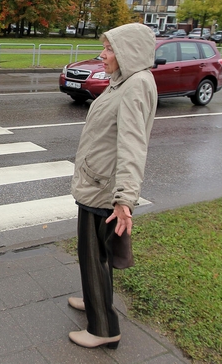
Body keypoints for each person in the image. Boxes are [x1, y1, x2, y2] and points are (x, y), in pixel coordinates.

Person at [68, 23, 158, 349]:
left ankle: (104, 329)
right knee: (94, 255)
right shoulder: (123, 81)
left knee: (93, 257)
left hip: (104, 188)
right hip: (98, 180)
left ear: (127, 52)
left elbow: (133, 146)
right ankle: (95, 299)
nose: (102, 55)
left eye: (109, 49)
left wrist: (124, 200)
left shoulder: (136, 85)